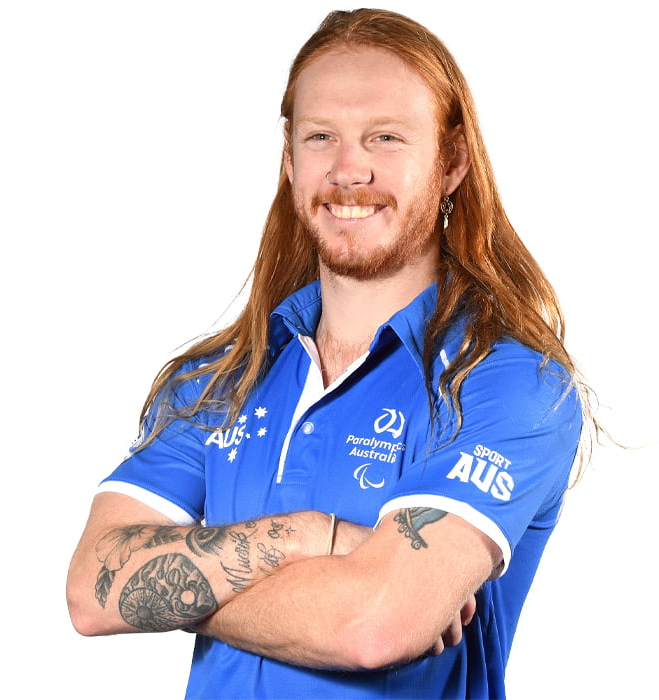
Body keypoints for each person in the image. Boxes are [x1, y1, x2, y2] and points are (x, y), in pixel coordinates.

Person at [67, 8, 589, 699]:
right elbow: (92, 590)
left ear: (452, 162)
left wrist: (176, 592)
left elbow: (374, 624)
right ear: (289, 160)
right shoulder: (221, 378)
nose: (349, 170)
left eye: (385, 137)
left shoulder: (508, 383)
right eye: (321, 137)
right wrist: (314, 536)